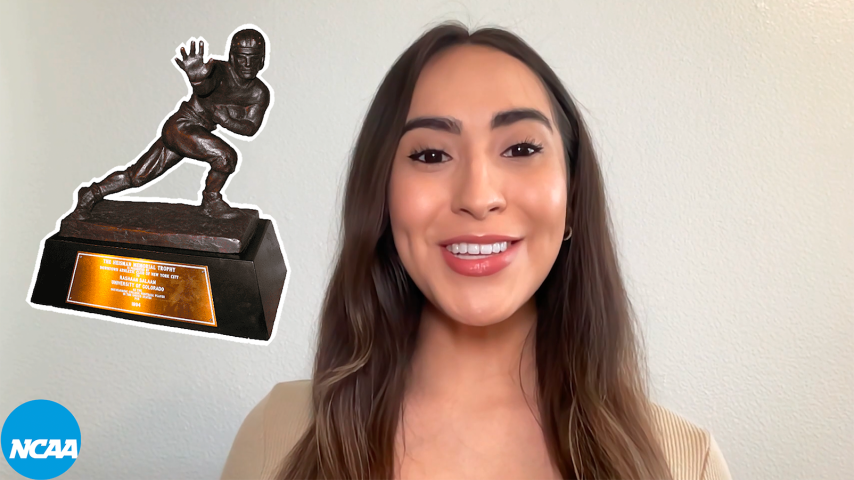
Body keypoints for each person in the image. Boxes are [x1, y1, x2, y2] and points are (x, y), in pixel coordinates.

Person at [220, 23, 732, 480]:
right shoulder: (277, 436)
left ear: (573, 197)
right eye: (430, 154)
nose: (478, 196)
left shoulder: (685, 463)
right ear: (383, 200)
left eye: (522, 149)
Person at [70, 28, 271, 220]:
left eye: (253, 58)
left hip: (195, 134)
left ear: (262, 60)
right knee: (225, 157)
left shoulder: (259, 93)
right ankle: (211, 200)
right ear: (232, 58)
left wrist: (225, 120)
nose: (247, 64)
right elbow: (205, 88)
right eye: (242, 57)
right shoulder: (218, 70)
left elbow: (250, 128)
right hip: (181, 127)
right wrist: (198, 80)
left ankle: (90, 193)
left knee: (138, 176)